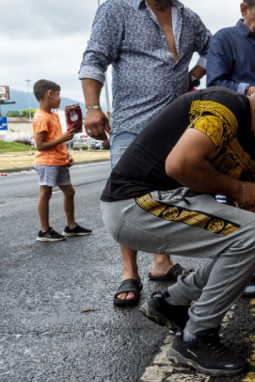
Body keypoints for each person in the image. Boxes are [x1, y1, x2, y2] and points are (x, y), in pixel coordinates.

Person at [100, 67, 255, 376]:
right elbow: (180, 163)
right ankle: (196, 337)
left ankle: (173, 301)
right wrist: (238, 188)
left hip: (162, 202)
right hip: (132, 206)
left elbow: (253, 224)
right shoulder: (228, 107)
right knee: (253, 233)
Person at [79, 0, 211, 306]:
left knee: (164, 196)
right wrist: (93, 107)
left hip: (174, 126)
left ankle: (162, 263)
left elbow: (212, 47)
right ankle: (130, 271)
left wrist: (194, 75)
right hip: (131, 124)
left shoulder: (188, 17)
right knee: (127, 199)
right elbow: (95, 57)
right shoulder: (118, 9)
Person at [206, 0, 255, 297]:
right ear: (244, 9)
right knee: (240, 206)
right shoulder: (224, 39)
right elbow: (215, 85)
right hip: (237, 137)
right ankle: (234, 269)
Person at [31, 80, 92, 242]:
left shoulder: (53, 115)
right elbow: (40, 145)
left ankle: (71, 227)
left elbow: (56, 140)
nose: (60, 99)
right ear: (49, 94)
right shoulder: (41, 117)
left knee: (70, 192)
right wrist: (64, 138)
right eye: (58, 95)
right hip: (46, 162)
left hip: (58, 161)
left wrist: (66, 155)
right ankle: (44, 231)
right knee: (45, 193)